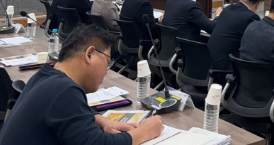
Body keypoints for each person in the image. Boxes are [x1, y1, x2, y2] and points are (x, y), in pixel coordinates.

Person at [0, 24, 163, 145]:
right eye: (107, 62)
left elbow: (72, 112)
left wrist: (103, 121)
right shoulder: (64, 91)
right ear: (89, 54)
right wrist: (144, 132)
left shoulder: (46, 74)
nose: (106, 71)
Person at [208, 0, 265, 71]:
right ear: (258, 4)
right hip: (225, 68)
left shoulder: (227, 9)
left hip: (208, 63)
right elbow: (258, 43)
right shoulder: (251, 17)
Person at [119, 0, 160, 65]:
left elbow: (138, 21)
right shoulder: (144, 4)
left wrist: (156, 20)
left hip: (128, 43)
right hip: (143, 46)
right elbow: (152, 31)